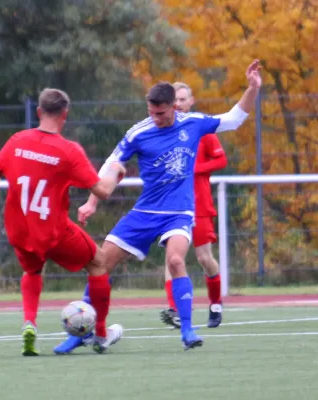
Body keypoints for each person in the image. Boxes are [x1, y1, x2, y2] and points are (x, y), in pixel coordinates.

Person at [54, 59, 262, 354]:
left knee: (176, 261)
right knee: (99, 263)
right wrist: (91, 201)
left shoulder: (193, 123)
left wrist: (252, 88)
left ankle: (188, 330)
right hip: (145, 212)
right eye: (150, 112)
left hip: (179, 212)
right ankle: (83, 332)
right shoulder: (139, 132)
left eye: (160, 113)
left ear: (174, 108)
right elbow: (112, 166)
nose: (155, 118)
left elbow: (234, 118)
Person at [0, 88, 125, 356]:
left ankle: (29, 323)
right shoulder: (68, 151)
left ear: (39, 112)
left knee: (33, 272)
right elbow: (102, 191)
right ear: (65, 115)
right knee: (99, 262)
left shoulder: (16, 141)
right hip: (53, 232)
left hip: (20, 231)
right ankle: (102, 333)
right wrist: (116, 171)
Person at [160, 82, 228, 330]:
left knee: (204, 258)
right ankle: (174, 310)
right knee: (172, 257)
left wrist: (195, 169)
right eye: (174, 100)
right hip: (173, 205)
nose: (178, 104)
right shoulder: (164, 130)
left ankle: (215, 303)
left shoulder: (203, 129)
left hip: (199, 204)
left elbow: (221, 160)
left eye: (182, 99)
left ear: (191, 101)